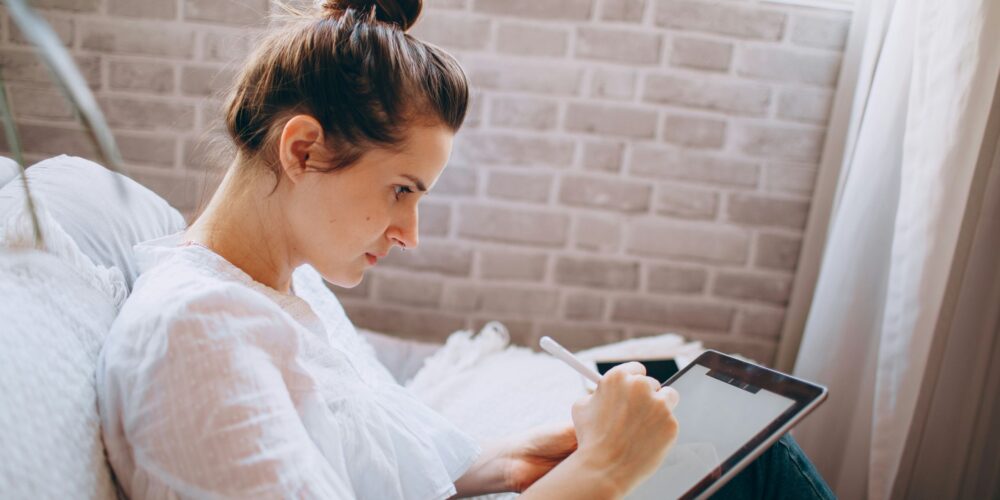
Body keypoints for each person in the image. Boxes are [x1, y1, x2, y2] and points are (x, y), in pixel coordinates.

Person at [97, 1, 835, 498]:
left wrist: (517, 461)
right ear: (303, 150)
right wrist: (603, 471)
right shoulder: (197, 333)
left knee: (739, 458)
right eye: (401, 191)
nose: (409, 233)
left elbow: (393, 463)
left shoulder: (289, 287)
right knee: (758, 473)